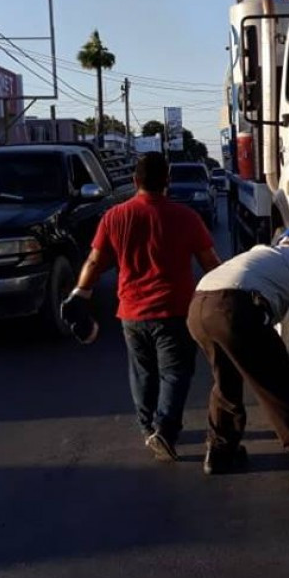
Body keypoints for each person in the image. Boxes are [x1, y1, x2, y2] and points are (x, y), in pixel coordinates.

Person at [62, 151, 221, 462]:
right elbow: (210, 263)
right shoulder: (186, 217)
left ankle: (149, 428)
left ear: (135, 181)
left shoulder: (114, 216)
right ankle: (165, 430)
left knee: (143, 373)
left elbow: (94, 261)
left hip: (132, 313)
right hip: (174, 311)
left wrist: (80, 293)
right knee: (175, 373)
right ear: (167, 181)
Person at [187, 227, 289, 489]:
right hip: (236, 309)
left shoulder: (261, 254)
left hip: (198, 307)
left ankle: (219, 453)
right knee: (278, 382)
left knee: (226, 381)